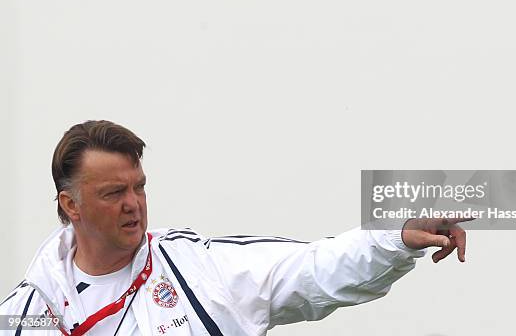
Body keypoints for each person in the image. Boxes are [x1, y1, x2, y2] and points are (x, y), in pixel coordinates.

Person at [0, 120, 470, 336]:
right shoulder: (22, 315)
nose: (133, 205)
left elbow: (315, 268)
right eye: (112, 193)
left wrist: (397, 235)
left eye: (138, 187)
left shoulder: (201, 269)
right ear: (71, 205)